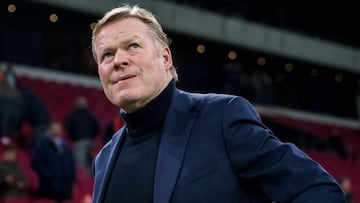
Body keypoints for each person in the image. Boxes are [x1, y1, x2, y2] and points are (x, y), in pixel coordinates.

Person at [90, 4, 346, 203]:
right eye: (107, 54)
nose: (119, 60)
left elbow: (317, 190)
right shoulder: (103, 160)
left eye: (132, 46)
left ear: (165, 57)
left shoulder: (221, 117)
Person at [31, 120, 76, 203]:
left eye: (59, 129)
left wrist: (71, 177)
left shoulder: (64, 145)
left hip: (65, 186)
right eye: (55, 129)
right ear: (50, 129)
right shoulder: (42, 143)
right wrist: (49, 176)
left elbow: (70, 162)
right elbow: (36, 162)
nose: (58, 131)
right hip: (49, 186)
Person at [65, 96, 100, 176]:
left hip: (79, 142)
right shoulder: (90, 115)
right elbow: (97, 129)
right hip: (90, 142)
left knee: (80, 166)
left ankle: (85, 184)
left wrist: (73, 137)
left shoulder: (73, 115)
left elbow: (68, 127)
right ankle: (90, 184)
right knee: (90, 165)